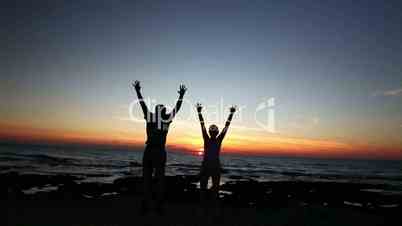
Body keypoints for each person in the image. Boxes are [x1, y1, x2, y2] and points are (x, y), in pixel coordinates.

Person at [132, 80, 187, 214]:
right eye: (162, 109)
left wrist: (138, 91)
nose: (163, 110)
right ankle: (154, 205)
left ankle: (152, 205)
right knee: (156, 180)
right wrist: (181, 96)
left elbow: (143, 104)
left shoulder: (152, 117)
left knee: (151, 179)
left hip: (152, 151)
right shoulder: (162, 119)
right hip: (157, 151)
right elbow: (176, 109)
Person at [196, 103, 236, 210]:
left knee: (212, 188)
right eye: (212, 131)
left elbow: (225, 127)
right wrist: (199, 113)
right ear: (212, 132)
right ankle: (207, 205)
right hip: (209, 166)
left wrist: (231, 114)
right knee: (207, 188)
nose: (213, 133)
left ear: (214, 132)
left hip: (212, 166)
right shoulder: (210, 139)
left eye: (214, 132)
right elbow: (203, 125)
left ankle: (210, 205)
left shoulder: (213, 139)